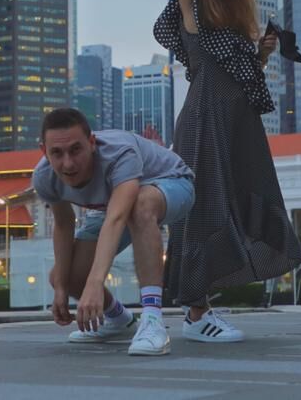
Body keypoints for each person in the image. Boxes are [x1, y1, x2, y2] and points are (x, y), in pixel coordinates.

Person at [153, 0, 301, 343]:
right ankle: (196, 313)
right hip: (205, 122)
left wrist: (262, 53)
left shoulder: (237, 25)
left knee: (238, 202)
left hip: (239, 126)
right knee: (205, 210)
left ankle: (202, 307)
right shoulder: (192, 14)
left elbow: (243, 78)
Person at [35, 108, 195, 356]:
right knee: (64, 276)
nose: (68, 164)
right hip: (113, 207)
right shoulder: (44, 176)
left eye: (76, 150)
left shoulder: (119, 153)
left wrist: (95, 283)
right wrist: (61, 288)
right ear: (44, 151)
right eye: (57, 153)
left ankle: (152, 320)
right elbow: (64, 224)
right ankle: (120, 320)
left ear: (92, 142)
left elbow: (117, 218)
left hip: (172, 184)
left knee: (140, 205)